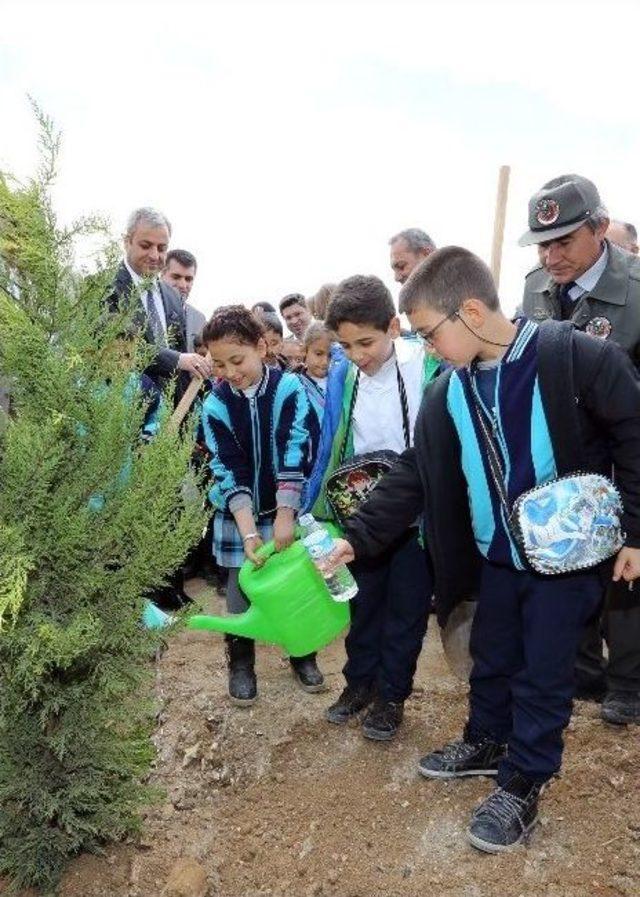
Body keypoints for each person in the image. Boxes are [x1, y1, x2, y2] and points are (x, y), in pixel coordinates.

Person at [327, 246, 640, 853]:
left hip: (564, 562)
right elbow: (415, 471)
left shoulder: (573, 357)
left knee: (545, 674)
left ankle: (524, 779)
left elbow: (634, 432)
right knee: (492, 656)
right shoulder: (447, 393)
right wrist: (356, 538)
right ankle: (487, 740)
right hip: (496, 558)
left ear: (470, 311)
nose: (427, 346)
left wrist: (636, 531)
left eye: (428, 332)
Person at [521, 175, 640, 725]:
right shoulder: (533, 289)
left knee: (627, 571)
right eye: (544, 244)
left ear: (598, 227)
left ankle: (630, 684)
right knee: (573, 560)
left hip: (626, 451)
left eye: (564, 240)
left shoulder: (636, 288)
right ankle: (584, 673)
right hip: (565, 457)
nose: (552, 255)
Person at [304, 275, 439, 741]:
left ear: (394, 327)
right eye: (346, 345)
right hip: (358, 516)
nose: (358, 355)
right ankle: (358, 685)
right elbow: (331, 443)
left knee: (406, 613)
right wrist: (316, 509)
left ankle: (391, 698)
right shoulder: (343, 375)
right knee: (361, 608)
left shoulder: (426, 366)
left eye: (367, 342)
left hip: (416, 518)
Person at [200, 305, 324, 705]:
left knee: (293, 584)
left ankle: (302, 653)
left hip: (284, 507)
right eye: (219, 364)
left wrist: (285, 514)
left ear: (261, 347)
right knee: (240, 587)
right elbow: (227, 469)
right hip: (239, 515)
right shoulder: (215, 405)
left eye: (237, 360)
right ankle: (240, 663)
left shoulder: (289, 389)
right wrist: (249, 530)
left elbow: (295, 450)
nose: (230, 372)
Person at [105, 208, 211, 395]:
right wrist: (177, 360)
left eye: (162, 248)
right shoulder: (104, 288)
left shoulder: (172, 296)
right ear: (127, 242)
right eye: (146, 246)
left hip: (170, 413)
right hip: (122, 407)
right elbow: (118, 349)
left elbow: (181, 356)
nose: (155, 255)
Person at [162, 249, 207, 351]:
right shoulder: (147, 311)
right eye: (176, 277)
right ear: (162, 275)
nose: (183, 285)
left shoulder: (199, 319)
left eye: (188, 279)